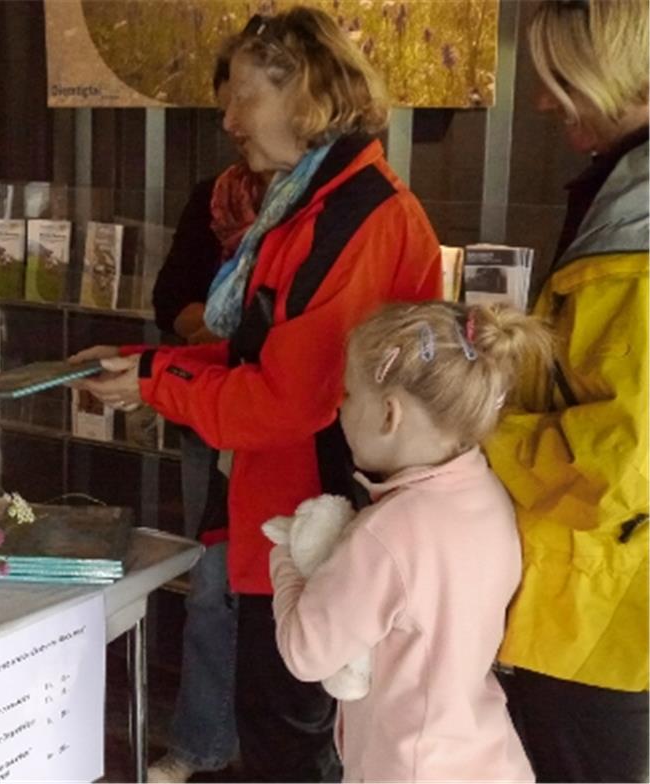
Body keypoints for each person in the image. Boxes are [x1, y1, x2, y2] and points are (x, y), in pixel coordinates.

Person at [73, 7, 442, 780]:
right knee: (276, 730)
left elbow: (288, 400)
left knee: (291, 744)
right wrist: (146, 363)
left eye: (244, 97)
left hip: (319, 526)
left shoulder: (352, 216)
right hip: (287, 518)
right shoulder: (309, 202)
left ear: (304, 94)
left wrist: (153, 381)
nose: (228, 118)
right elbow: (261, 350)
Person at [272, 301, 550, 781]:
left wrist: (289, 556)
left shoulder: (386, 534)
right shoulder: (487, 493)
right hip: (485, 756)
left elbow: (306, 651)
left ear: (388, 414)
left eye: (349, 393)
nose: (340, 406)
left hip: (408, 767)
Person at [482, 1, 649, 780]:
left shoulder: (636, 239)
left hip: (603, 619)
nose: (544, 102)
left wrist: (482, 431)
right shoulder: (621, 204)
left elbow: (618, 462)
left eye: (558, 78)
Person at [146, 47, 266, 784]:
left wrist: (219, 331)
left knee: (296, 591)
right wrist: (220, 335)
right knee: (214, 586)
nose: (230, 122)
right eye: (224, 104)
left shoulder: (329, 214)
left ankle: (294, 745)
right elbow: (170, 303)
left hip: (287, 427)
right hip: (212, 422)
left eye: (242, 102)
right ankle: (201, 740)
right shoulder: (211, 197)